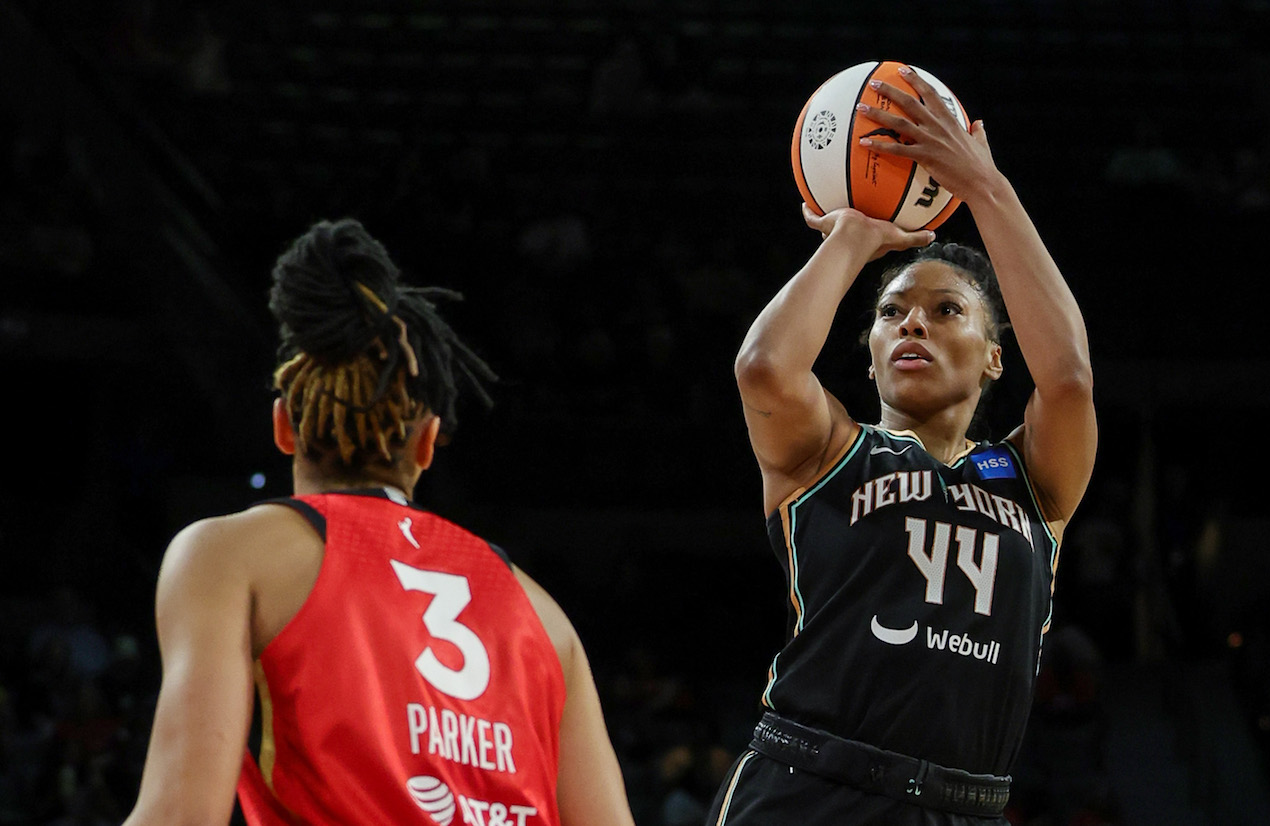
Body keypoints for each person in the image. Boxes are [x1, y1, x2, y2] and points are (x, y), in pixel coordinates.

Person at [121, 219, 634, 826]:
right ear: (428, 443)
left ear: (283, 426)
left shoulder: (228, 555)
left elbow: (181, 815)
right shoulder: (545, 617)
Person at [712, 67, 1097, 824]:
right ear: (871, 355)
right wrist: (854, 235)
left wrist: (986, 189)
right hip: (807, 786)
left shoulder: (1034, 480)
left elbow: (1070, 379)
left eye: (946, 310)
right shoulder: (827, 454)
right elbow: (763, 367)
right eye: (891, 313)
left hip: (965, 804)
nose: (912, 322)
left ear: (995, 358)